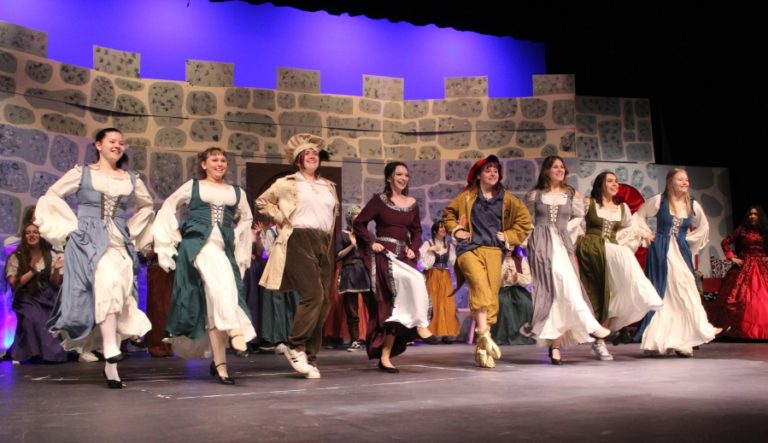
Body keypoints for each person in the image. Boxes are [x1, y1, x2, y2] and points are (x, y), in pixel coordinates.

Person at [35, 127, 154, 388]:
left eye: (121, 142)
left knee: (120, 293)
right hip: (89, 241)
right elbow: (52, 195)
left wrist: (131, 230)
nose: (118, 145)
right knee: (107, 282)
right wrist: (70, 229)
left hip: (118, 241)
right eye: (112, 141)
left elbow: (147, 205)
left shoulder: (130, 179)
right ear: (98, 145)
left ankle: (111, 369)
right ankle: (110, 346)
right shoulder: (83, 173)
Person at [153, 147, 255, 385]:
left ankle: (220, 365)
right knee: (223, 287)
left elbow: (247, 218)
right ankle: (236, 331)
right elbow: (169, 205)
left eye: (223, 160)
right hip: (197, 246)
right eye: (214, 159)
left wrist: (236, 233)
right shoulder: (194, 186)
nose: (219, 163)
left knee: (215, 302)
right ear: (204, 164)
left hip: (222, 248)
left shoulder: (235, 192)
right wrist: (174, 235)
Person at [256, 133, 339, 379]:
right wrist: (281, 218)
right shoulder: (287, 183)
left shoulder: (328, 186)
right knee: (313, 295)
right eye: (306, 153)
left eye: (315, 153)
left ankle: (310, 356)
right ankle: (295, 345)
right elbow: (262, 202)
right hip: (298, 239)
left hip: (323, 242)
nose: (312, 156)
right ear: (298, 159)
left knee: (324, 302)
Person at [443, 155, 532, 368]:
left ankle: (482, 350)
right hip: (469, 250)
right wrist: (457, 230)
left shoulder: (507, 199)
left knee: (491, 299)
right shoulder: (467, 196)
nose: (493, 173)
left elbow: (525, 221)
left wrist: (509, 236)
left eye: (495, 170)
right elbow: (449, 215)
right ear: (478, 175)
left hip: (493, 251)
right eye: (488, 170)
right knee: (481, 288)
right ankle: (484, 335)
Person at [522, 155, 611, 365]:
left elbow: (579, 217)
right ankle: (561, 343)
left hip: (562, 243)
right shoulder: (535, 195)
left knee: (568, 286)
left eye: (562, 167)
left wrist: (565, 229)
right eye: (555, 167)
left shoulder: (572, 194)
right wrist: (533, 238)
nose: (560, 170)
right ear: (546, 171)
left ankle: (566, 339)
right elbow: (525, 220)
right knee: (553, 292)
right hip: (542, 246)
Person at [353, 161, 435, 373]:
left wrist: (414, 248)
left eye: (406, 175)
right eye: (399, 174)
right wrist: (371, 242)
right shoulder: (379, 201)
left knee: (413, 286)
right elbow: (359, 223)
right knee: (394, 302)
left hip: (403, 255)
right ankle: (419, 323)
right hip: (385, 255)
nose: (403, 178)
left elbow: (417, 231)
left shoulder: (412, 203)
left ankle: (387, 355)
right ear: (389, 177)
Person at [633, 167, 724, 357]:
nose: (685, 182)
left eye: (686, 180)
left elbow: (704, 226)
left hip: (681, 252)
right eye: (680, 179)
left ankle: (686, 337)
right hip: (661, 250)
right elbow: (638, 217)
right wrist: (646, 234)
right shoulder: (659, 200)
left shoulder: (692, 204)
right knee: (665, 293)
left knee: (686, 288)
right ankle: (661, 339)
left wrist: (687, 240)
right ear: (670, 182)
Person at [575, 171, 662, 360]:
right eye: (610, 181)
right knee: (623, 257)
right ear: (601, 184)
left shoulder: (622, 208)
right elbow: (575, 221)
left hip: (611, 250)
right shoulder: (589, 203)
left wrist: (644, 233)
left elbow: (632, 227)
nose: (615, 184)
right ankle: (646, 292)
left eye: (616, 181)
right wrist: (580, 236)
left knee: (613, 295)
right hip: (593, 249)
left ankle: (599, 342)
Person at [4, 222, 67, 363]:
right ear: (24, 236)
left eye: (35, 232)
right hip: (26, 297)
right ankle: (30, 352)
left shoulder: (50, 255)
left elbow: (55, 282)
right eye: (28, 233)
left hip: (47, 297)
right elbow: (14, 284)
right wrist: (31, 271)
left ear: (40, 235)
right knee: (32, 319)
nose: (31, 235)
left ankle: (35, 352)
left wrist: (57, 270)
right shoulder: (16, 257)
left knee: (49, 327)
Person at [712, 205, 768, 339]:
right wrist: (732, 257)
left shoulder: (764, 231)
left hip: (762, 265)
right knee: (739, 295)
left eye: (755, 214)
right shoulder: (742, 230)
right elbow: (725, 242)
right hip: (744, 265)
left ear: (760, 217)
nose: (752, 216)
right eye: (750, 214)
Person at [335, 206, 372, 351]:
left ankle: (374, 337)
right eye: (356, 215)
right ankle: (355, 340)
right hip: (349, 271)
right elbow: (337, 255)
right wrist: (352, 245)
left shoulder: (366, 234)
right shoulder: (343, 235)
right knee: (351, 309)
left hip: (364, 271)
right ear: (350, 218)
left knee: (372, 305)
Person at [419, 220, 459, 342]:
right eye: (441, 227)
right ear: (435, 230)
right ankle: (432, 332)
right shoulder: (428, 244)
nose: (443, 229)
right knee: (434, 303)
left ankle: (447, 332)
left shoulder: (448, 245)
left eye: (444, 227)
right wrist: (430, 250)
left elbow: (453, 261)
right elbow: (423, 265)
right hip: (433, 275)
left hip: (445, 276)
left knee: (447, 303)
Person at [491, 247, 535, 346]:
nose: (509, 248)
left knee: (526, 303)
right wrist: (503, 278)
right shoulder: (497, 260)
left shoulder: (521, 260)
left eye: (512, 245)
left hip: (518, 290)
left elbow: (528, 279)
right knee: (503, 303)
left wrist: (518, 278)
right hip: (502, 290)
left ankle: (523, 336)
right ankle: (502, 337)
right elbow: (492, 279)